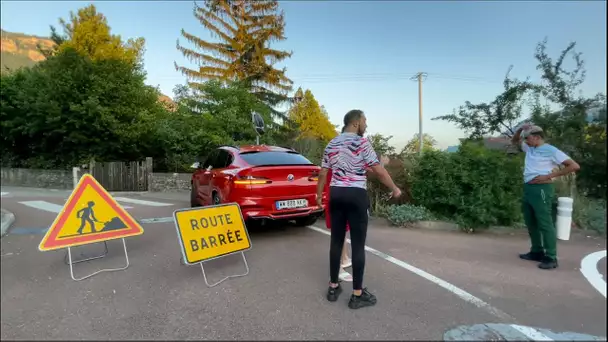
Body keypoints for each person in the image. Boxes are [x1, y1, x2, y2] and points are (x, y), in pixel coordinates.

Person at [316, 109, 402, 309]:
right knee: (357, 245)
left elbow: (322, 174)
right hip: (355, 195)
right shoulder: (362, 143)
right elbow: (379, 171)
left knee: (336, 242)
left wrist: (319, 195)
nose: (366, 125)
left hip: (335, 194)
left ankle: (333, 286)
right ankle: (357, 294)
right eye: (364, 121)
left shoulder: (332, 144)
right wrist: (394, 188)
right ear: (355, 123)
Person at [511, 124, 580, 270]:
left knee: (544, 222)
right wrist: (520, 129)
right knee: (531, 221)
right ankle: (536, 251)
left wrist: (549, 176)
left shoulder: (551, 150)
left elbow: (574, 166)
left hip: (542, 189)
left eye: (528, 138)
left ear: (537, 137)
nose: (526, 141)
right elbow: (515, 141)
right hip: (529, 188)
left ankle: (551, 257)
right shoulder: (530, 148)